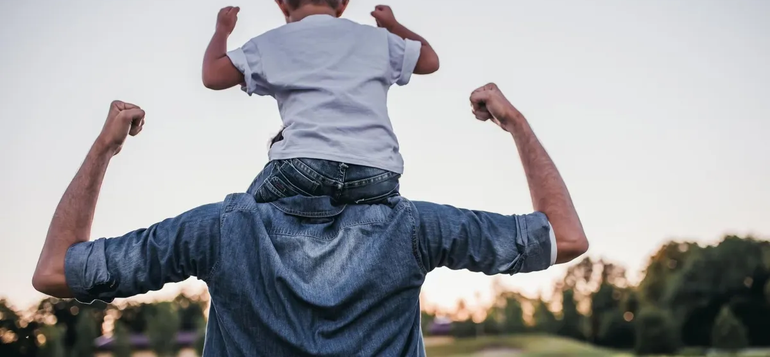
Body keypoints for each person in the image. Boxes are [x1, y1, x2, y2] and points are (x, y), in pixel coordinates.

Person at [32, 83, 588, 356]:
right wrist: (515, 124)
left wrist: (105, 148)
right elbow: (565, 237)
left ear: (278, 152)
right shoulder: (412, 228)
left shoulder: (221, 230)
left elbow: (56, 271)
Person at [201, 0, 440, 205]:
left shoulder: (272, 43)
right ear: (343, 5)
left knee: (244, 213)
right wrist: (393, 26)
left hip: (304, 167)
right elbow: (430, 60)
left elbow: (212, 75)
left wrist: (222, 30)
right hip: (378, 172)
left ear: (281, 5)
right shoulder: (377, 40)